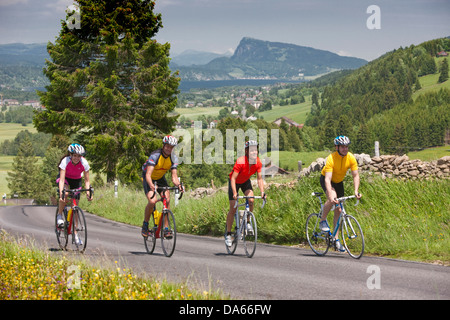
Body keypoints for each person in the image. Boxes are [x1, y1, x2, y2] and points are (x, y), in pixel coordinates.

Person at [319, 135, 361, 252]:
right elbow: (327, 179)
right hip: (327, 179)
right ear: (336, 147)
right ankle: (322, 220)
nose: (345, 149)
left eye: (346, 147)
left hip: (339, 182)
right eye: (342, 147)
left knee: (339, 209)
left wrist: (356, 191)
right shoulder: (331, 158)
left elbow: (355, 175)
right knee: (332, 198)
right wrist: (331, 194)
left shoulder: (351, 158)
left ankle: (335, 239)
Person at [225, 140, 266, 247]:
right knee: (233, 209)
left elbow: (260, 179)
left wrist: (262, 192)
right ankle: (228, 234)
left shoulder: (258, 162)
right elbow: (233, 179)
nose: (254, 152)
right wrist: (234, 192)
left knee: (251, 200)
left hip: (245, 182)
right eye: (252, 150)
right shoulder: (241, 161)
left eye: (255, 150)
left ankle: (248, 222)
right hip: (235, 182)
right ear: (247, 151)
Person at [141, 135, 182, 237]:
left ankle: (166, 229)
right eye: (167, 146)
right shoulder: (155, 156)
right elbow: (148, 175)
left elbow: (174, 177)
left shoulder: (173, 158)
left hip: (160, 178)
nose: (169, 149)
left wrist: (179, 185)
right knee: (152, 201)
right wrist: (151, 186)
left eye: (171, 147)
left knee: (167, 200)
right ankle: (145, 225)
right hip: (149, 178)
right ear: (163, 146)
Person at [56, 143, 93, 244]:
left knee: (75, 207)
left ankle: (75, 234)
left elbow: (86, 181)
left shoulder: (84, 163)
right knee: (66, 194)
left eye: (79, 156)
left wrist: (88, 192)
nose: (77, 158)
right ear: (71, 155)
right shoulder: (65, 161)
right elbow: (62, 180)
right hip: (66, 179)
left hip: (76, 181)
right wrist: (61, 193)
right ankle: (59, 215)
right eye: (75, 155)